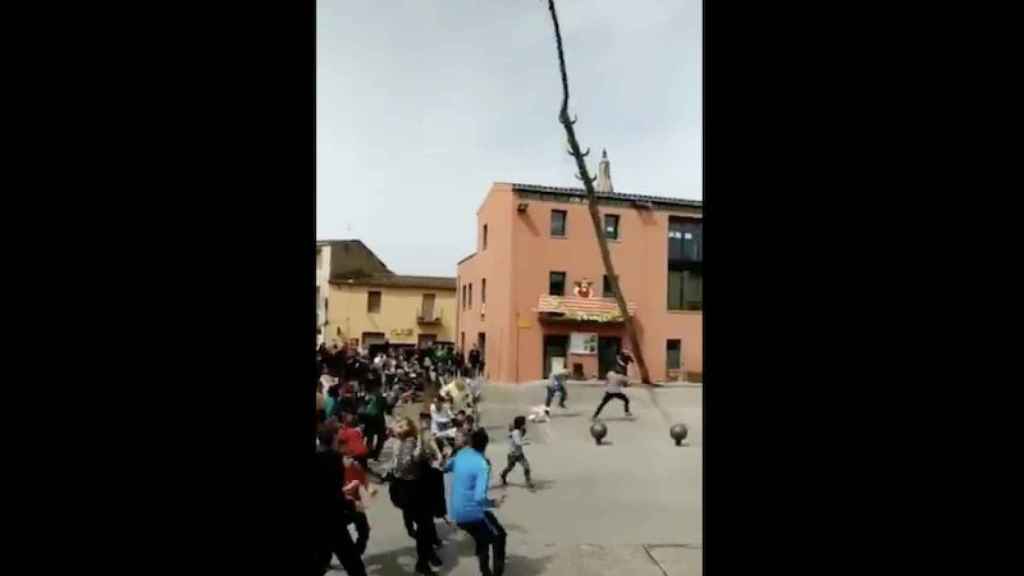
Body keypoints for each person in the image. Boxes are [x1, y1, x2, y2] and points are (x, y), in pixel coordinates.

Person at [443, 428, 507, 576]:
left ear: (470, 443)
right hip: (471, 513)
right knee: (499, 536)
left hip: (456, 513)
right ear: (486, 445)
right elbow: (479, 497)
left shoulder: (461, 455)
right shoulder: (482, 464)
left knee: (482, 537)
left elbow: (445, 467)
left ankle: (485, 570)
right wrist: (493, 503)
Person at [391, 417, 443, 575]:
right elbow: (402, 465)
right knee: (424, 528)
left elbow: (421, 458)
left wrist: (422, 440)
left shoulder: (412, 441)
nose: (399, 427)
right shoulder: (400, 444)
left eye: (403, 425)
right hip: (410, 491)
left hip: (418, 490)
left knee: (425, 527)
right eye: (398, 425)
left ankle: (426, 557)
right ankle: (423, 562)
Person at [314, 427, 368, 576]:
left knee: (321, 558)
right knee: (354, 565)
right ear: (333, 441)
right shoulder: (333, 458)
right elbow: (332, 494)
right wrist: (351, 504)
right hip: (332, 519)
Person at [342, 452, 377, 557]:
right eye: (347, 457)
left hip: (355, 505)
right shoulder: (331, 469)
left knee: (364, 530)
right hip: (340, 505)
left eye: (351, 457)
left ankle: (356, 553)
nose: (351, 460)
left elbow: (365, 482)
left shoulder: (356, 467)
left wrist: (370, 490)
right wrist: (347, 489)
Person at [500, 416, 534, 490]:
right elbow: (518, 442)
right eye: (524, 423)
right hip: (512, 455)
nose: (525, 424)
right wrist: (526, 443)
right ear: (521, 424)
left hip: (519, 454)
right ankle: (503, 475)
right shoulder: (516, 432)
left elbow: (516, 435)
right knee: (510, 468)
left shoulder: (520, 431)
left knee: (526, 466)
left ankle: (528, 482)